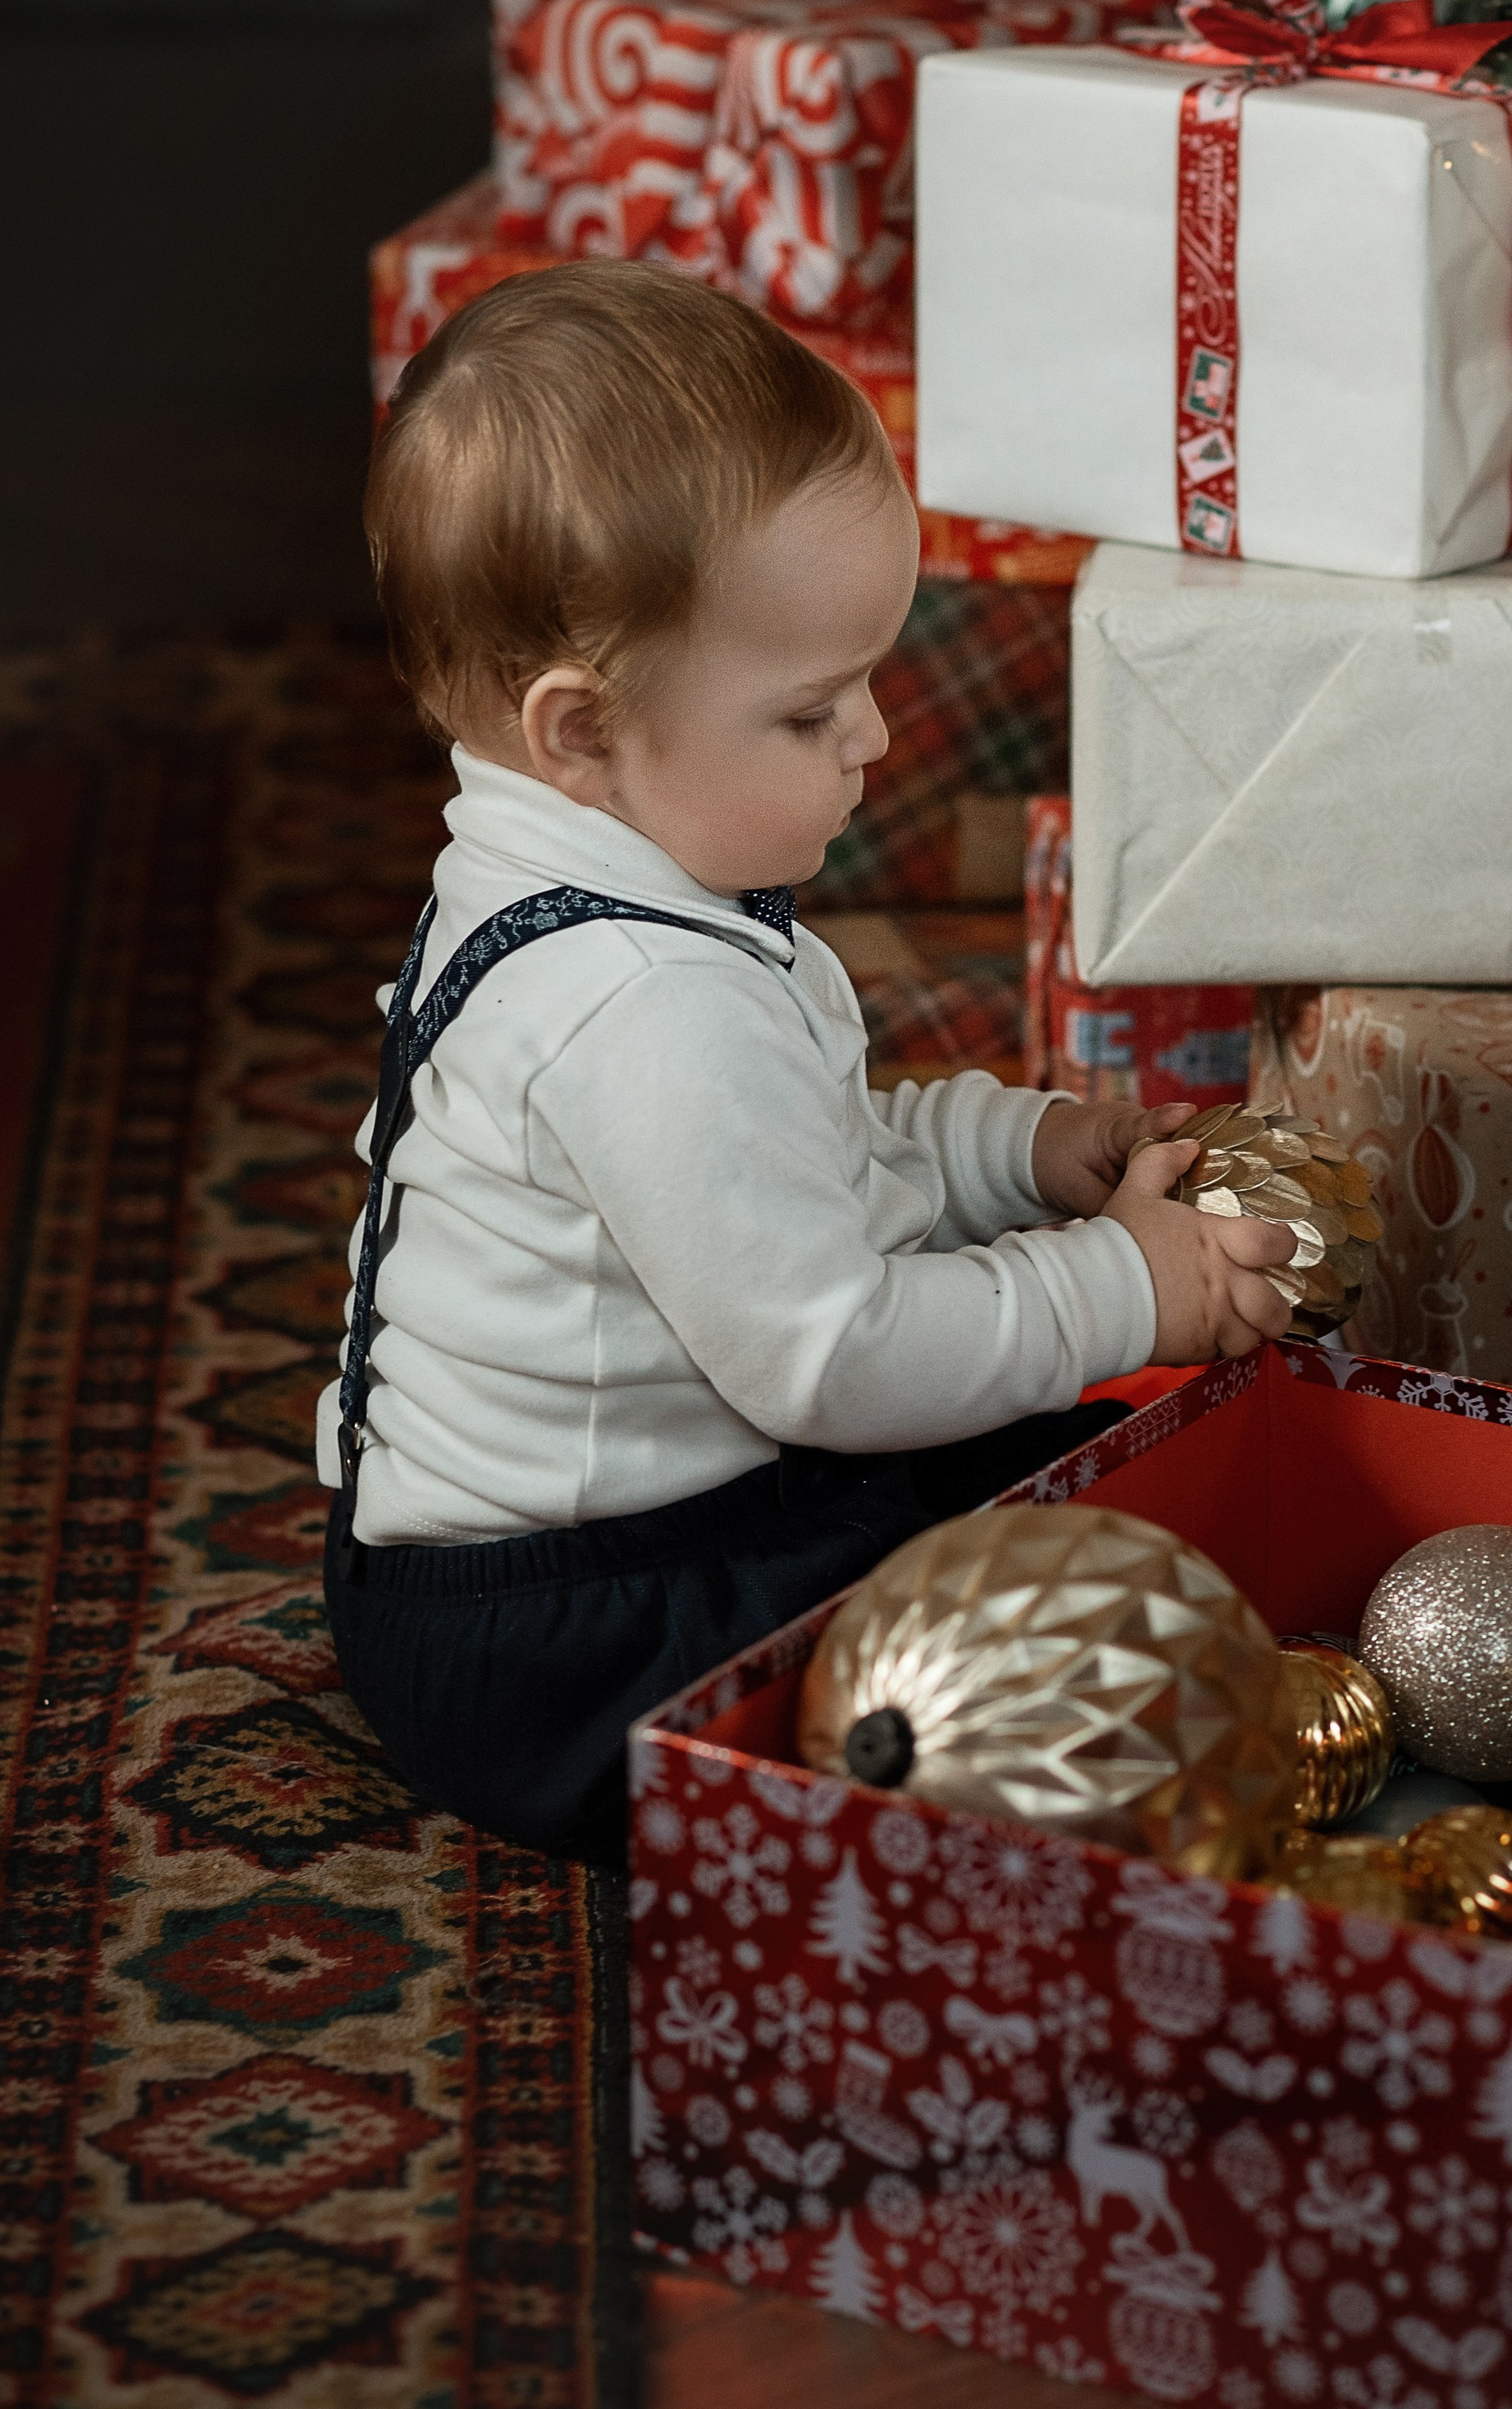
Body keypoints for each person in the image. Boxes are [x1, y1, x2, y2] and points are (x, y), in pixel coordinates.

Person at [320, 265, 1296, 1869]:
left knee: (1058, 1444)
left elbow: (805, 1159)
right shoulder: (640, 1002)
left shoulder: (580, 872)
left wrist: (1021, 1150)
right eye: (806, 709)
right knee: (1057, 1556)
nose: (877, 739)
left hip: (577, 1552)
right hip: (577, 1642)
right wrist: (1130, 1285)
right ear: (580, 730)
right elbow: (833, 1359)